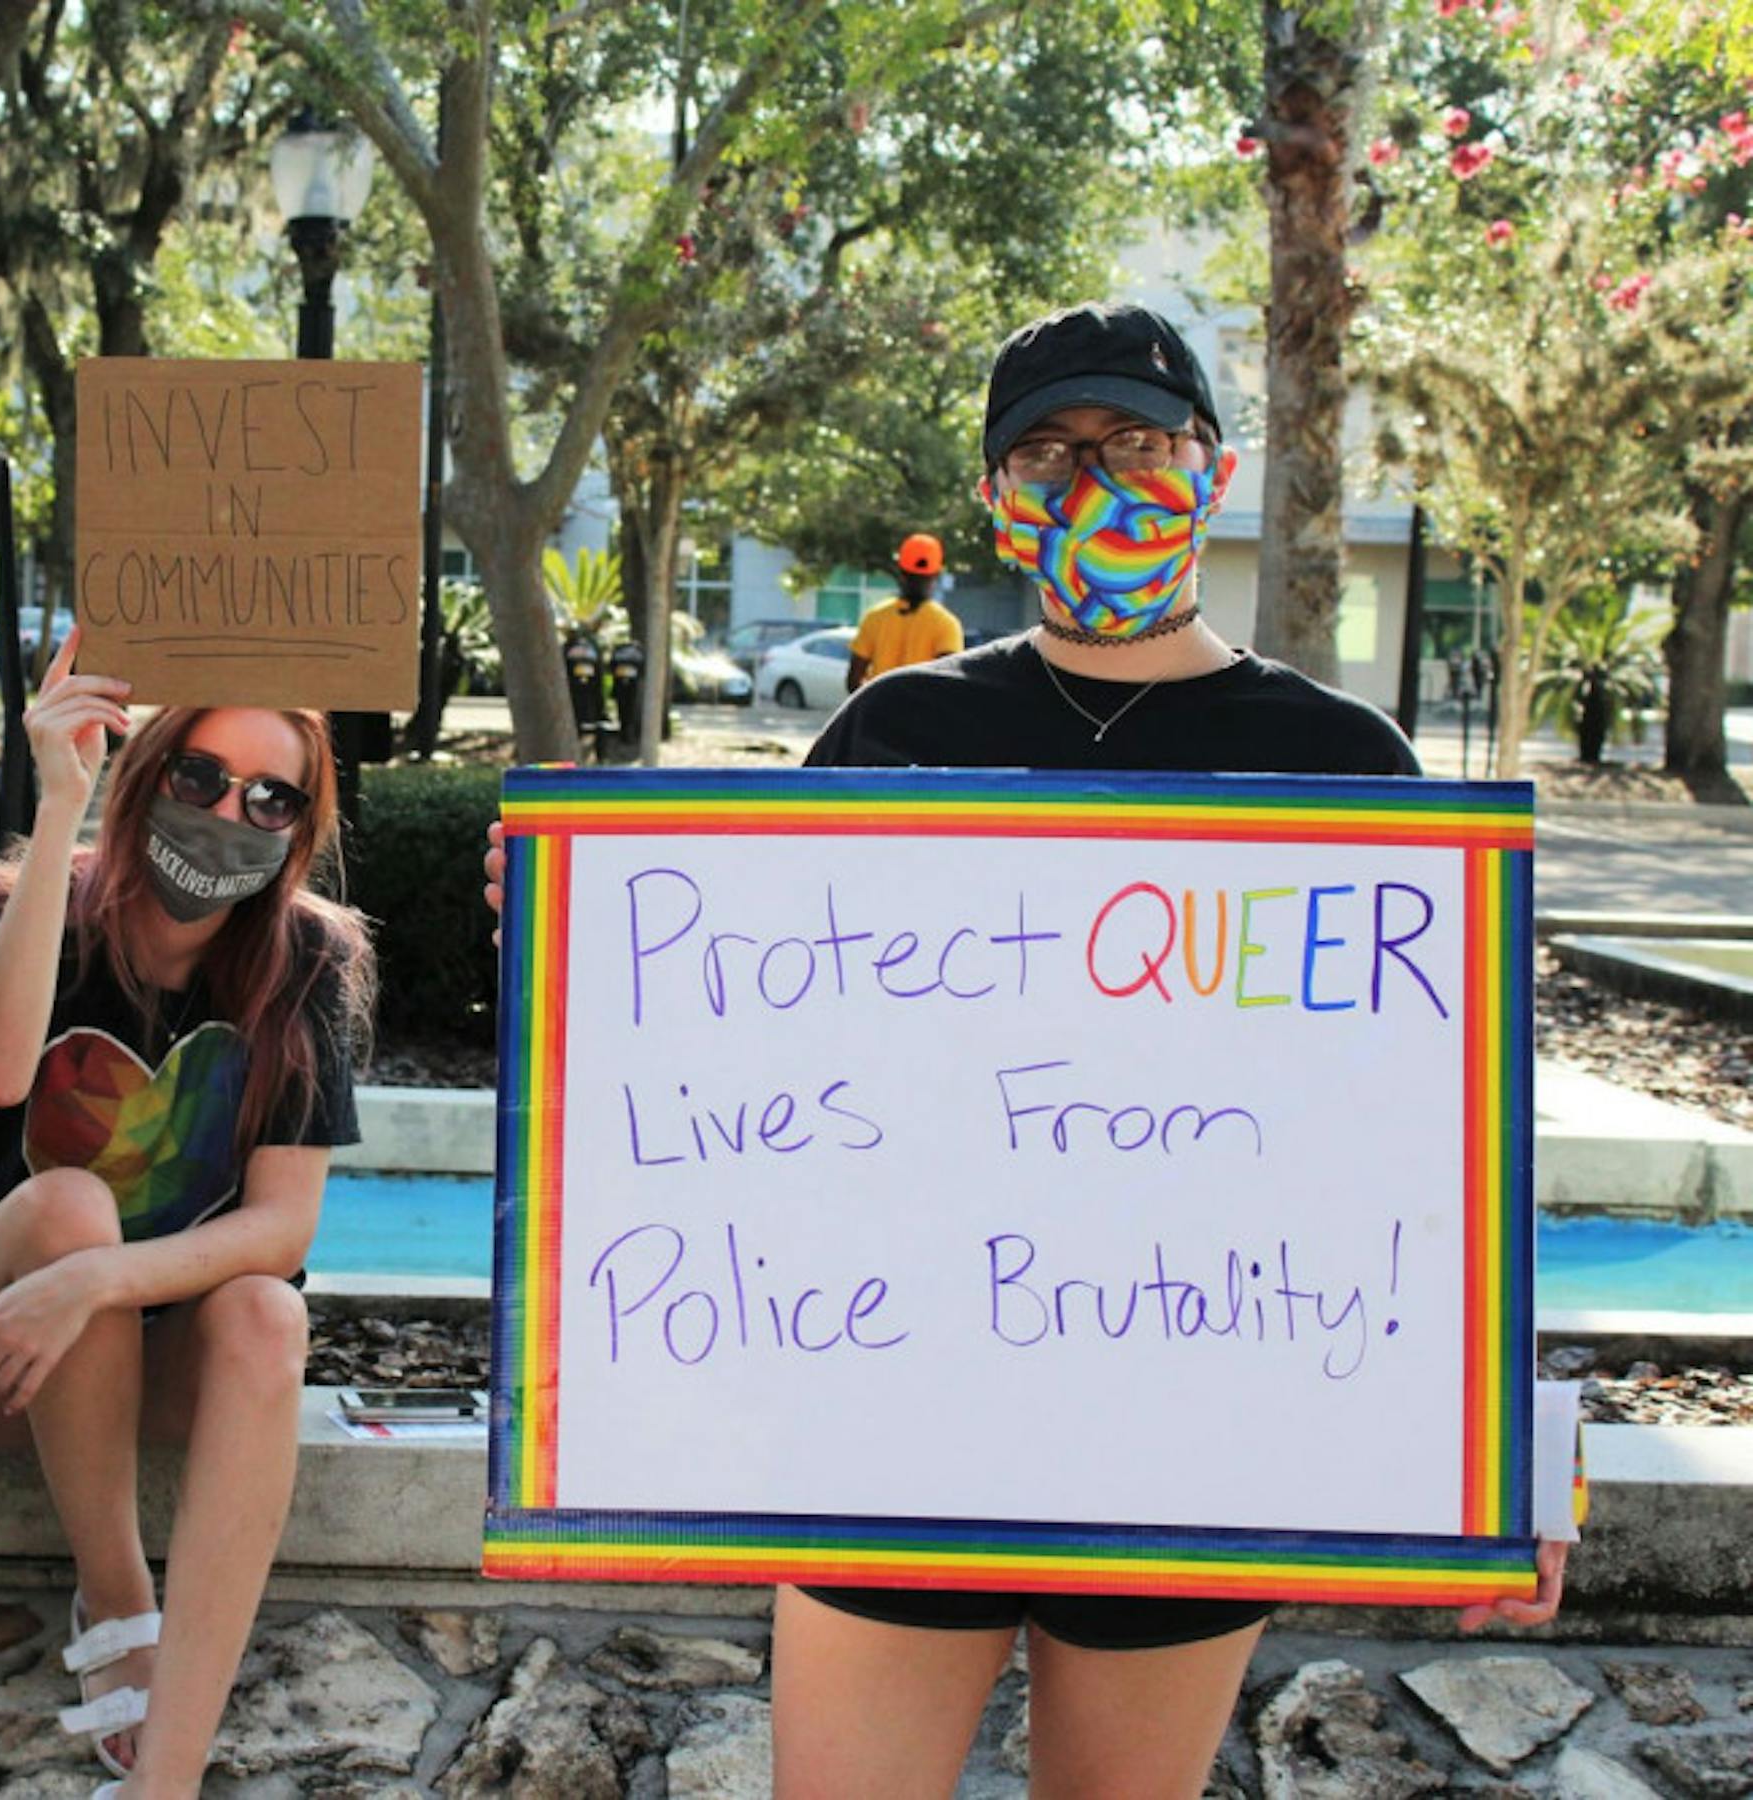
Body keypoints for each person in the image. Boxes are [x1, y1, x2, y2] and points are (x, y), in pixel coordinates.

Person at [487, 301, 1567, 1796]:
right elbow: (748, 1051)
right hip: (889, 1414)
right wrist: (572, 926)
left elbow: (1440, 1140)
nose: (1093, 479)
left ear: (1212, 467)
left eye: (1136, 442)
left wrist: (1521, 1441)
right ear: (995, 494)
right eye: (1047, 451)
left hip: (1198, 1433)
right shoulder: (895, 728)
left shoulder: (1343, 764)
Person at [0, 638, 374, 1800]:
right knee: (68, 1204)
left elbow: (282, 1233)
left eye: (271, 798)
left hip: (151, 1363)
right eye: (201, 776)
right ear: (148, 770)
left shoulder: (305, 961)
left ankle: (167, 1778)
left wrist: (101, 1281)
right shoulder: (19, 906)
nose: (229, 814)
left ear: (300, 826)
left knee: (265, 1314)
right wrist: (62, 807)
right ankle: (115, 1595)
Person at [846, 532, 965, 688]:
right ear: (936, 574)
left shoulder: (874, 617)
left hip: (881, 703)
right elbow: (948, 684)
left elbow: (853, 680)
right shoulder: (946, 624)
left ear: (901, 571)